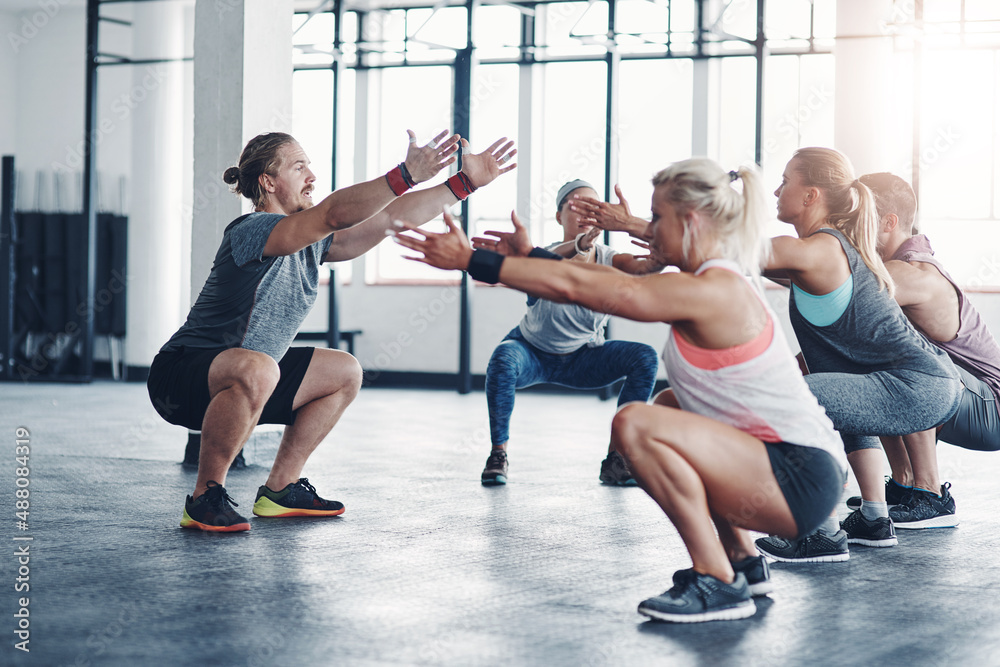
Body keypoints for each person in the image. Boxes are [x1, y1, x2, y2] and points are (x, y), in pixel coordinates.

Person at [391, 159, 847, 623]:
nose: (648, 230)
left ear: (689, 222)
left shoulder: (715, 290)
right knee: (670, 404)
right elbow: (611, 281)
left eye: (655, 218)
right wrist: (531, 257)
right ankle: (745, 562)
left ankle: (717, 579)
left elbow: (597, 290)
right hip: (797, 471)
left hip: (799, 480)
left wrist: (474, 259)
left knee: (636, 423)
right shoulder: (711, 281)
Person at [147, 129, 517, 532]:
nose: (311, 176)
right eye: (299, 166)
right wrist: (404, 174)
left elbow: (391, 218)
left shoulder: (315, 243)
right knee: (260, 368)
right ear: (268, 183)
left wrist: (462, 185)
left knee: (343, 371)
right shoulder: (250, 229)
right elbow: (332, 214)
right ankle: (204, 497)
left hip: (252, 379)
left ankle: (281, 489)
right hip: (181, 378)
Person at [754, 148, 962, 561]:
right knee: (838, 393)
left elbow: (735, 249)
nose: (777, 191)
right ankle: (872, 517)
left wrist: (645, 224)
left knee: (800, 396)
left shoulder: (821, 250)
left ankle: (820, 532)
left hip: (925, 386)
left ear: (811, 194)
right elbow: (739, 258)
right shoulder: (818, 253)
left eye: (785, 181)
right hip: (926, 384)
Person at [469, 179, 661, 486]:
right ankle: (498, 454)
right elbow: (551, 258)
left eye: (594, 206)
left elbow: (644, 268)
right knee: (503, 356)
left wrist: (652, 244)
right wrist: (578, 246)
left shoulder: (611, 259)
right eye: (576, 204)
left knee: (644, 357)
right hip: (532, 354)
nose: (585, 212)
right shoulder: (543, 254)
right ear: (559, 216)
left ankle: (616, 460)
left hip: (584, 359)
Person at [839, 172, 1000, 528]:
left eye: (857, 220)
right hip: (966, 397)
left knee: (902, 361)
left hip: (993, 411)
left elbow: (838, 290)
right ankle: (905, 483)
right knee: (871, 360)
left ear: (888, 222)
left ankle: (930, 495)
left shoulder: (912, 273)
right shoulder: (895, 267)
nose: (848, 229)